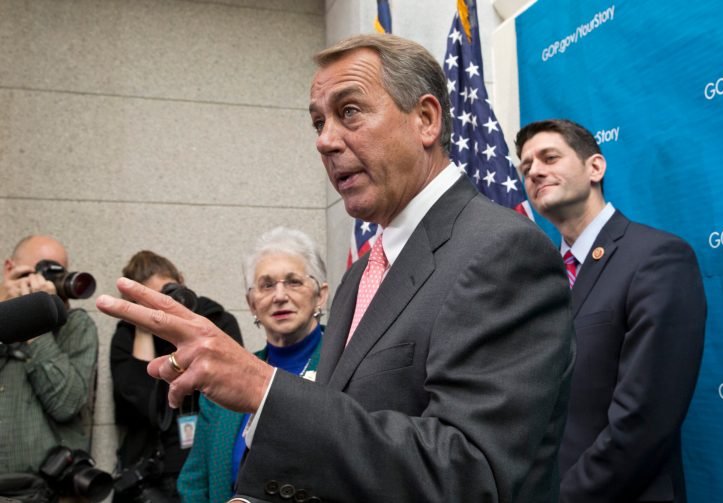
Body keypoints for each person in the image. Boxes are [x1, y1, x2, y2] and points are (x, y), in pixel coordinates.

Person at [97, 34, 574, 503]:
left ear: (426, 120)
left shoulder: (503, 251)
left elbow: (470, 474)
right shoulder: (360, 274)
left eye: (349, 112)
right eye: (317, 122)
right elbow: (341, 441)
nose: (325, 141)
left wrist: (263, 389)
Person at [515, 119, 706, 503]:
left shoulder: (656, 258)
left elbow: (643, 424)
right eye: (525, 167)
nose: (535, 171)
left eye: (549, 157)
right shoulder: (541, 278)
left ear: (595, 168)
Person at [177, 227, 329, 503]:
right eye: (266, 285)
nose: (279, 295)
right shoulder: (225, 378)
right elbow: (194, 482)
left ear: (320, 295)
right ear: (251, 303)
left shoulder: (347, 365)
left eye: (293, 281)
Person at [110, 250, 243, 502]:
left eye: (167, 292)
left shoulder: (216, 321)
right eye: (150, 299)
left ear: (180, 281)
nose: (162, 305)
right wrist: (144, 327)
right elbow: (140, 402)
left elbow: (227, 387)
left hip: (201, 460)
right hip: (151, 472)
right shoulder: (127, 335)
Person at [0, 235, 98, 473]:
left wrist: (34, 318)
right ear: (10, 269)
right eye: (41, 271)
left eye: (58, 272)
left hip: (47, 489)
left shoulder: (75, 325)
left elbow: (66, 404)